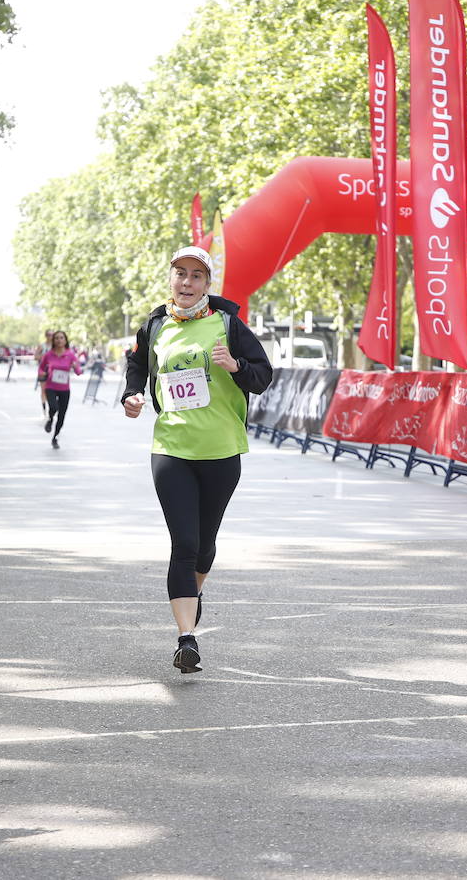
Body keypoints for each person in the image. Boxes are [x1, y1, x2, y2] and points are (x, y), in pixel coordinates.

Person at [122, 245, 272, 673]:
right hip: (171, 448)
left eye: (196, 276)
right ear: (171, 278)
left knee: (204, 543)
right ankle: (186, 639)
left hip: (222, 450)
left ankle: (194, 593)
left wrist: (236, 365)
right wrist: (131, 396)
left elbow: (263, 377)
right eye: (180, 274)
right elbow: (138, 366)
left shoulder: (227, 324)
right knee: (184, 543)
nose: (186, 283)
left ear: (208, 284)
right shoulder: (155, 324)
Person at [38, 330, 82, 449]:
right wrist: (42, 374)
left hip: (64, 389)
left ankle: (55, 437)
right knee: (53, 407)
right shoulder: (48, 355)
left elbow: (79, 372)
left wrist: (75, 366)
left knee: (62, 415)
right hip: (51, 386)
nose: (59, 340)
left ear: (65, 340)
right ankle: (50, 419)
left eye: (61, 338)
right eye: (56, 338)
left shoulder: (71, 354)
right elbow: (41, 368)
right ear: (53, 341)